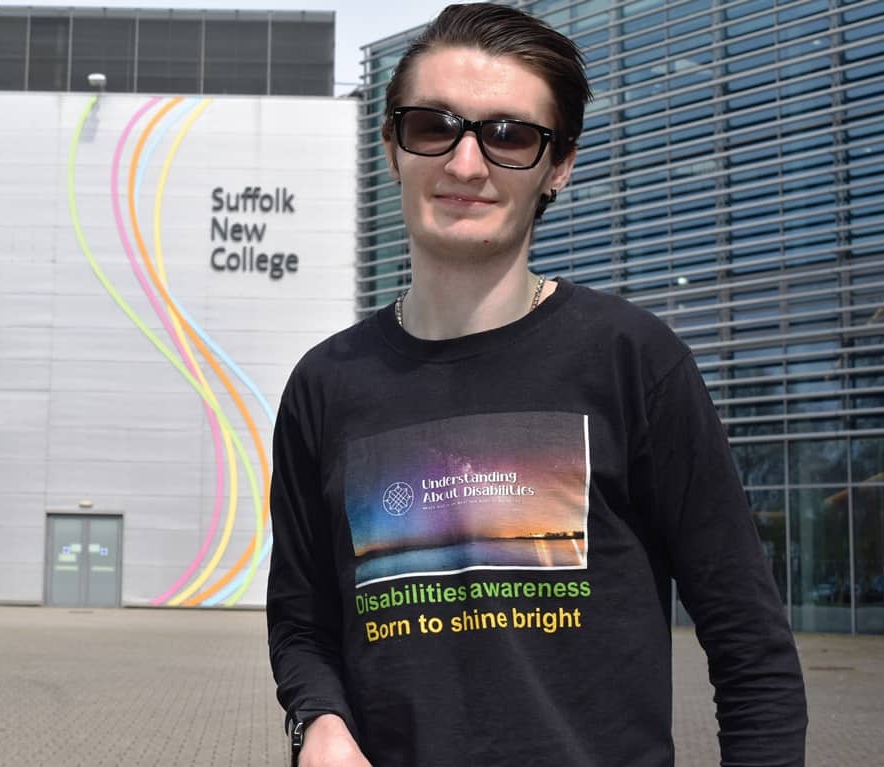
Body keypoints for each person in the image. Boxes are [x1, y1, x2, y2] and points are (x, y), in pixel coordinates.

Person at [266, 3, 807, 766]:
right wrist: (317, 718)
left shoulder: (633, 360)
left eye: (508, 135)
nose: (464, 164)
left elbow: (747, 641)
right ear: (392, 146)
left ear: (559, 165)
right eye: (433, 126)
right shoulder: (325, 385)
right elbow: (301, 618)